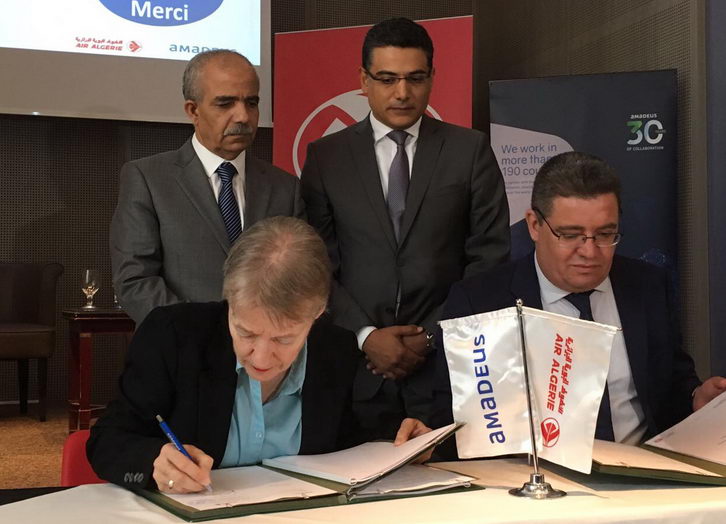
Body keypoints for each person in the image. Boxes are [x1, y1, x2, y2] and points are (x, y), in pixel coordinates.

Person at [88, 217, 430, 493]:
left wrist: (405, 442)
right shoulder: (174, 336)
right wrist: (153, 463)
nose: (262, 358)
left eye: (284, 338)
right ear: (229, 302)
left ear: (317, 313)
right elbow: (106, 442)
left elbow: (365, 439)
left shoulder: (336, 351)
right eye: (246, 333)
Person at [300, 17, 510, 434]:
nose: (402, 92)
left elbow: (490, 257)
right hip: (354, 372)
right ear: (364, 80)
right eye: (387, 79)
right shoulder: (327, 157)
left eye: (415, 78)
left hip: (447, 370)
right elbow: (316, 264)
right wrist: (365, 335)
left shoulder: (469, 150)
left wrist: (431, 336)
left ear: (432, 77)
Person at [433, 151, 726, 447]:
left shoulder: (647, 286)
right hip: (529, 471)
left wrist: (695, 397)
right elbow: (454, 419)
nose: (589, 251)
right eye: (571, 235)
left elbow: (671, 384)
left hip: (642, 465)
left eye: (605, 234)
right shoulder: (480, 303)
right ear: (534, 226)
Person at [111, 50, 304, 325]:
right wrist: (202, 335)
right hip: (183, 344)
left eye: (251, 103)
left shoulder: (285, 188)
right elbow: (135, 281)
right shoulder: (149, 179)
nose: (243, 116)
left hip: (268, 346)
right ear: (193, 110)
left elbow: (300, 279)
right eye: (225, 104)